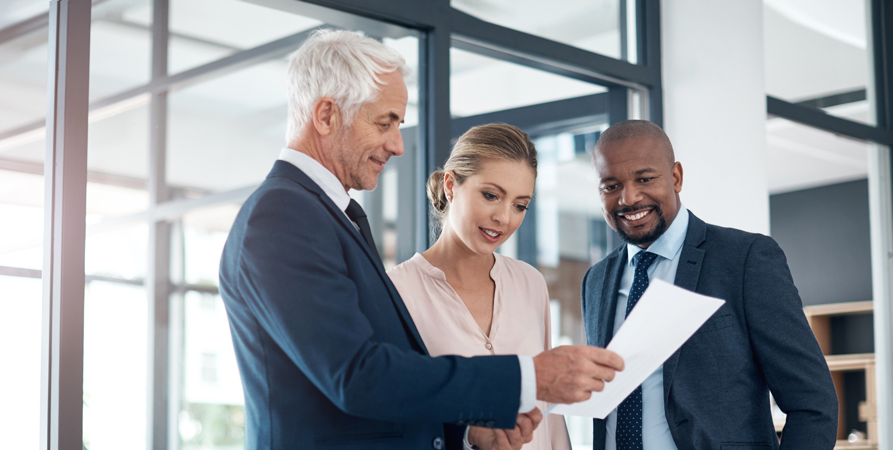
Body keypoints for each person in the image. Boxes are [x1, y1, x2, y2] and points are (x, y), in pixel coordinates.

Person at [219, 29, 624, 450]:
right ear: (326, 116)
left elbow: (375, 390)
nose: (398, 146)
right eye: (385, 123)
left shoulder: (331, 215)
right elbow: (357, 376)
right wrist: (531, 376)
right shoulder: (283, 216)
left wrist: (466, 433)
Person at [581, 119, 838, 450]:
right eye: (610, 186)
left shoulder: (744, 259)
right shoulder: (596, 280)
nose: (628, 198)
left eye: (645, 179)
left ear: (676, 177)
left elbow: (813, 405)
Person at [388, 124, 571, 450]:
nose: (504, 217)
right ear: (450, 185)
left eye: (520, 205)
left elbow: (551, 411)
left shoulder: (530, 283)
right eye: (491, 195)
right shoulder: (396, 291)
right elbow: (396, 414)